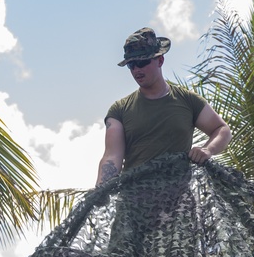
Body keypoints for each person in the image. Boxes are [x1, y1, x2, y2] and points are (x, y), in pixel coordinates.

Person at [96, 27, 231, 185]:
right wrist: (99, 194)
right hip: (135, 202)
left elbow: (222, 130)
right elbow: (112, 157)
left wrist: (208, 149)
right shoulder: (119, 110)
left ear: (160, 60)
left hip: (179, 201)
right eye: (131, 65)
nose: (137, 69)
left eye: (142, 62)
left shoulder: (188, 100)